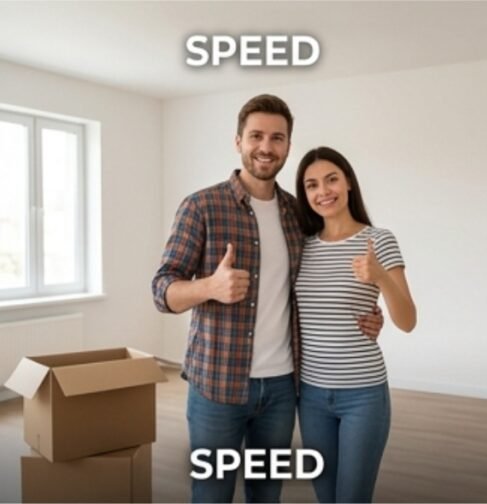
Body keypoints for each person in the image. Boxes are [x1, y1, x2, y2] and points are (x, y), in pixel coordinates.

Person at [151, 95, 383, 503]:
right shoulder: (201, 206)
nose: (266, 146)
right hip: (216, 387)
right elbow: (161, 290)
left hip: (281, 387)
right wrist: (208, 287)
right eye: (256, 135)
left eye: (277, 138)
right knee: (212, 493)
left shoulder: (299, 215)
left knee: (266, 494)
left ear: (288, 147)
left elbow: (322, 277)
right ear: (238, 141)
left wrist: (367, 310)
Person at [293, 146, 417, 503]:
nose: (323, 191)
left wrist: (379, 277)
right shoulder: (301, 246)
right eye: (312, 185)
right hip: (311, 395)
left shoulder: (378, 241)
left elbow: (407, 320)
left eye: (331, 179)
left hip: (363, 394)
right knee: (326, 497)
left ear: (348, 182)